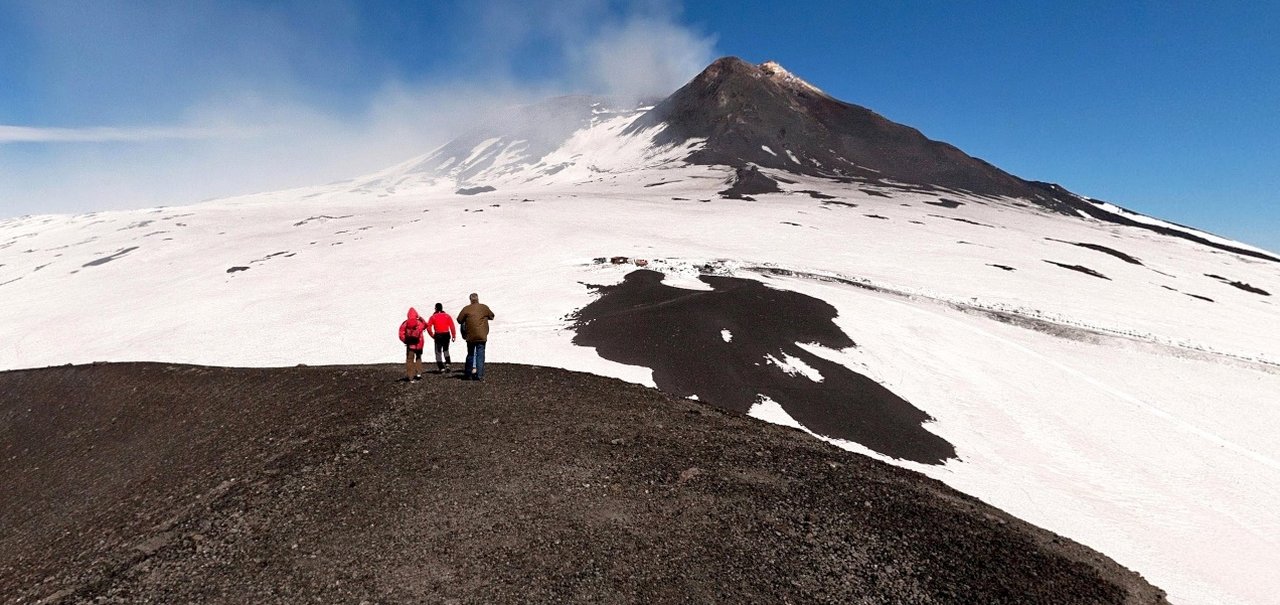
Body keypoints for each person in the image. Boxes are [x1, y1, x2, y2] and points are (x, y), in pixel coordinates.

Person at [457, 293, 495, 381]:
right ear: (478, 299)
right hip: (481, 335)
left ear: (470, 300)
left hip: (470, 336)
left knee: (470, 354)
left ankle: (468, 374)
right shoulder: (484, 307)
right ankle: (479, 375)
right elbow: (492, 316)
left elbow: (459, 320)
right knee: (480, 354)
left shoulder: (466, 309)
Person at [426, 302, 457, 373]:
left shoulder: (433, 317)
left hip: (438, 335)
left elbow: (428, 327)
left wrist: (432, 335)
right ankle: (448, 364)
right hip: (446, 334)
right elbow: (452, 326)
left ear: (436, 308)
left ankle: (441, 367)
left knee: (438, 351)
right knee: (446, 350)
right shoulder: (447, 316)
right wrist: (453, 335)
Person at [398, 307, 428, 381]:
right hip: (419, 344)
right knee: (418, 357)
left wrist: (405, 341)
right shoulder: (419, 323)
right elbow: (426, 325)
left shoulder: (405, 323)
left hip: (410, 345)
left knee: (410, 359)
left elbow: (401, 334)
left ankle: (410, 376)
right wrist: (420, 317)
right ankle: (418, 373)